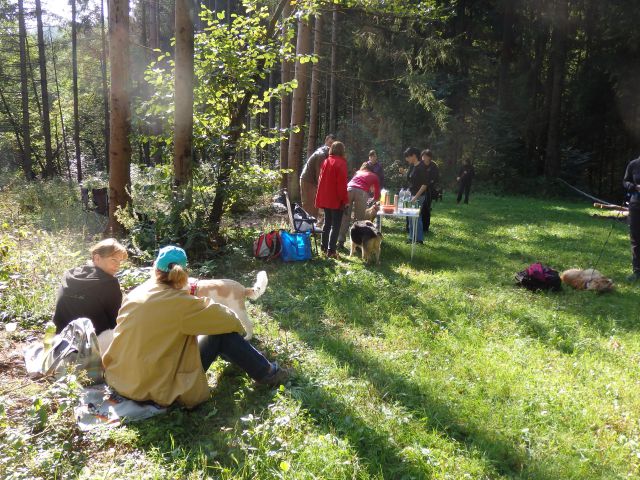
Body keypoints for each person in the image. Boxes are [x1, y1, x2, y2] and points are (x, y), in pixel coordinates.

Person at [103, 246, 288, 408]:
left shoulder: (136, 293)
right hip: (156, 389)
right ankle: (268, 373)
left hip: (120, 379)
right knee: (222, 334)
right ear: (184, 273)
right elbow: (231, 322)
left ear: (154, 267)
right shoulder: (182, 304)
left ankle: (246, 363)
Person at [52, 238, 127, 353]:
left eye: (120, 261)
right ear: (97, 258)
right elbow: (116, 321)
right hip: (89, 348)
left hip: (59, 341)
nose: (118, 265)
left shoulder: (69, 274)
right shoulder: (109, 283)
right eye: (113, 260)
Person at [315, 141, 349, 258]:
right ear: (342, 151)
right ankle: (331, 250)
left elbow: (320, 180)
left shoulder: (326, 161)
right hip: (335, 199)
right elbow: (342, 185)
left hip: (325, 198)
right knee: (335, 226)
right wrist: (345, 200)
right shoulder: (341, 163)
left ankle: (323, 247)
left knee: (327, 223)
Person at [337, 162, 381, 249]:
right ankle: (357, 243)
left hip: (348, 190)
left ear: (364, 167)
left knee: (345, 217)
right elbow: (377, 194)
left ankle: (340, 241)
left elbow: (353, 184)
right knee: (359, 219)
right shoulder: (374, 176)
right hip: (362, 193)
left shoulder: (358, 172)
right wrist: (374, 200)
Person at [299, 134, 336, 218]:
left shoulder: (326, 155)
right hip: (309, 181)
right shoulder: (321, 154)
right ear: (326, 141)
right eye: (330, 143)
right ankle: (308, 226)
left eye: (333, 144)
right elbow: (319, 174)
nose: (331, 146)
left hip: (313, 181)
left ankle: (312, 225)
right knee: (310, 206)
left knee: (314, 206)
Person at [403, 147, 429, 244]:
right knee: (410, 216)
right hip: (411, 194)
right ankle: (411, 237)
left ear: (414, 155)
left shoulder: (422, 167)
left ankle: (419, 239)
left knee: (416, 217)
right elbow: (412, 180)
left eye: (407, 157)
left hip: (419, 196)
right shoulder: (413, 166)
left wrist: (415, 197)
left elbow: (424, 185)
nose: (406, 159)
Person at [623, 156, 640, 282]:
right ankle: (637, 271)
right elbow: (625, 181)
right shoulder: (633, 164)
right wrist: (634, 187)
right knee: (635, 238)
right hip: (636, 205)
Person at [420, 149, 440, 234]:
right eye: (422, 156)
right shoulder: (420, 165)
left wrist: (427, 184)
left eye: (425, 156)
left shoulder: (433, 166)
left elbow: (435, 178)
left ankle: (425, 227)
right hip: (419, 189)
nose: (423, 158)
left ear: (429, 157)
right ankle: (417, 226)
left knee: (426, 208)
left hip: (429, 190)